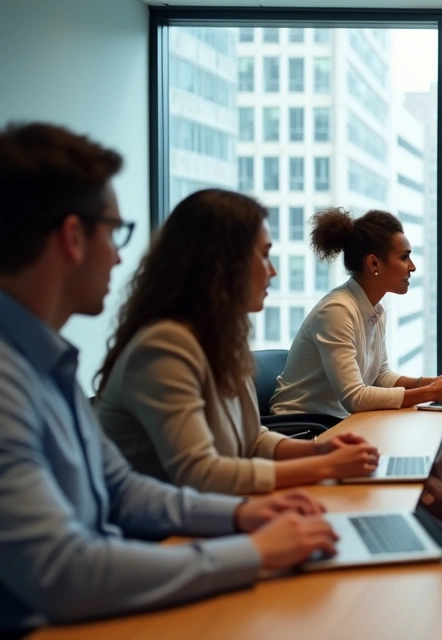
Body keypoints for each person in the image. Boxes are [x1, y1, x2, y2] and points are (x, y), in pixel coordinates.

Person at [0, 122, 338, 634]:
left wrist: (239, 518)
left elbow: (121, 490)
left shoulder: (48, 362)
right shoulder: (11, 379)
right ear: (72, 237)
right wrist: (252, 552)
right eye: (113, 232)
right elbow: (63, 571)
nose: (119, 255)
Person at [95, 189, 381, 495]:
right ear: (221, 263)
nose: (272, 271)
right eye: (263, 255)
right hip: (166, 522)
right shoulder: (163, 346)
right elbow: (201, 474)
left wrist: (320, 450)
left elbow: (251, 439)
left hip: (212, 510)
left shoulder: (222, 339)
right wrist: (325, 467)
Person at [271, 208, 442, 417]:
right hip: (302, 426)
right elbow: (354, 397)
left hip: (336, 421)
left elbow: (380, 376)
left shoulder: (376, 310)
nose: (412, 267)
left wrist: (432, 383)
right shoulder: (336, 311)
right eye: (404, 257)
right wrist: (430, 392)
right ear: (374, 263)